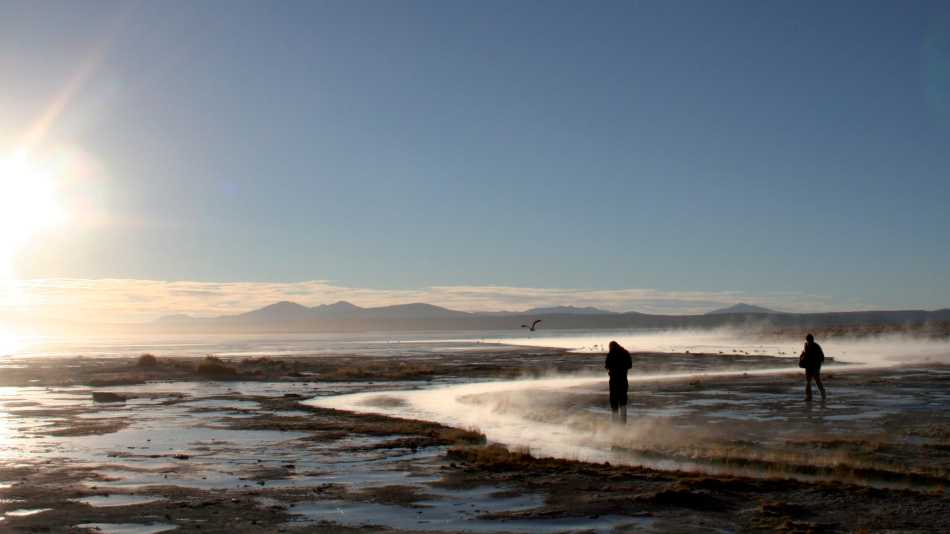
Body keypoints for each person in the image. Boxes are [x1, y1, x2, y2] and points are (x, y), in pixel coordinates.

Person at [605, 341, 632, 422]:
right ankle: (623, 422)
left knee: (614, 401)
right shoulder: (625, 352)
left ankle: (615, 421)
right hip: (623, 380)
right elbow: (630, 365)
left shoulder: (611, 354)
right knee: (623, 401)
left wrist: (613, 368)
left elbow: (607, 366)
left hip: (614, 380)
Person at [799, 333, 827, 401]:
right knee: (808, 382)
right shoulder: (806, 346)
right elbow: (805, 355)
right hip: (809, 366)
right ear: (807, 340)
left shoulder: (816, 346)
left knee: (817, 380)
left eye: (811, 341)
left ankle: (823, 394)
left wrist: (816, 363)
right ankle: (809, 397)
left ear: (812, 340)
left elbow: (821, 357)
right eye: (809, 341)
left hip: (815, 366)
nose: (810, 342)